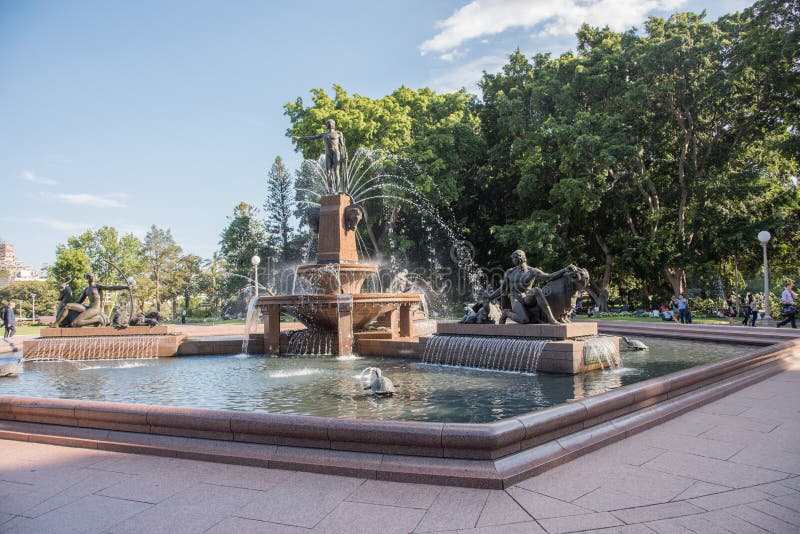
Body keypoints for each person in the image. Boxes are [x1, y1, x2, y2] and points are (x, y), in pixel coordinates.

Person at [484, 250, 573, 324]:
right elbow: (503, 289)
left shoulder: (532, 271)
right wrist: (490, 297)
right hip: (515, 299)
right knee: (524, 320)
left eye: (514, 257)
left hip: (527, 298)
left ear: (521, 257)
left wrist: (564, 270)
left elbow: (549, 276)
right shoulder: (510, 272)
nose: (512, 260)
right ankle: (506, 313)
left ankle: (551, 319)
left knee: (536, 290)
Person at [54, 273, 128, 328]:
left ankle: (98, 319)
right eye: (88, 276)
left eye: (91, 276)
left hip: (95, 309)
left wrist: (125, 287)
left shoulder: (97, 286)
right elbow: (79, 301)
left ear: (94, 278)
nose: (89, 277)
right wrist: (71, 304)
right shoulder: (86, 289)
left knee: (75, 323)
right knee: (67, 306)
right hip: (88, 308)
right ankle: (56, 324)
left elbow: (111, 288)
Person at [293, 119, 348, 192]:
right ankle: (330, 191)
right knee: (328, 172)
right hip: (328, 154)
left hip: (336, 153)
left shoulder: (338, 133)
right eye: (327, 123)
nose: (329, 124)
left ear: (333, 124)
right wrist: (300, 138)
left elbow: (342, 146)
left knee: (336, 171)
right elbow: (312, 137)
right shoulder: (324, 134)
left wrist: (344, 155)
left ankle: (337, 191)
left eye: (330, 123)